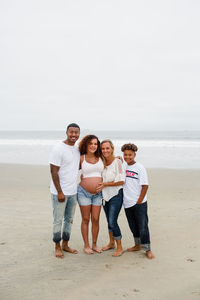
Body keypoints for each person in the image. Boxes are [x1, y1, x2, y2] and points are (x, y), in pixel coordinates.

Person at [49, 123, 80, 258]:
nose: (73, 135)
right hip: (59, 193)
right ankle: (57, 246)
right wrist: (60, 191)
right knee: (58, 220)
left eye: (76, 132)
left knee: (69, 219)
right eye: (71, 132)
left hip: (73, 192)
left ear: (79, 134)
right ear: (66, 132)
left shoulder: (78, 149)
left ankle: (65, 244)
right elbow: (53, 171)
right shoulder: (58, 148)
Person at [121, 143, 155, 259]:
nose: (127, 157)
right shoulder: (124, 166)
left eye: (130, 155)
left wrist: (139, 201)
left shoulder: (139, 167)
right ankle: (137, 245)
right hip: (127, 202)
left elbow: (145, 186)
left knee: (143, 226)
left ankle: (147, 249)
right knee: (133, 226)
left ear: (134, 155)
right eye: (125, 155)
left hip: (139, 203)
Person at [96, 140, 126, 257]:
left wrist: (105, 184)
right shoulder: (101, 162)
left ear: (112, 149)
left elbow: (121, 181)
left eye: (107, 148)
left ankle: (119, 247)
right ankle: (111, 243)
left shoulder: (117, 162)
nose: (105, 151)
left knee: (113, 221)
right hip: (104, 196)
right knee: (109, 220)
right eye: (103, 149)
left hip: (116, 195)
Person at [78, 135, 104, 254]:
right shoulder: (81, 158)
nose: (93, 146)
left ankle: (94, 244)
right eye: (91, 143)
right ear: (86, 145)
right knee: (85, 219)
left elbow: (111, 161)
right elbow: (70, 170)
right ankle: (86, 245)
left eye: (95, 144)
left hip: (98, 194)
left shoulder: (101, 157)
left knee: (96, 218)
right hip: (83, 192)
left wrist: (118, 157)